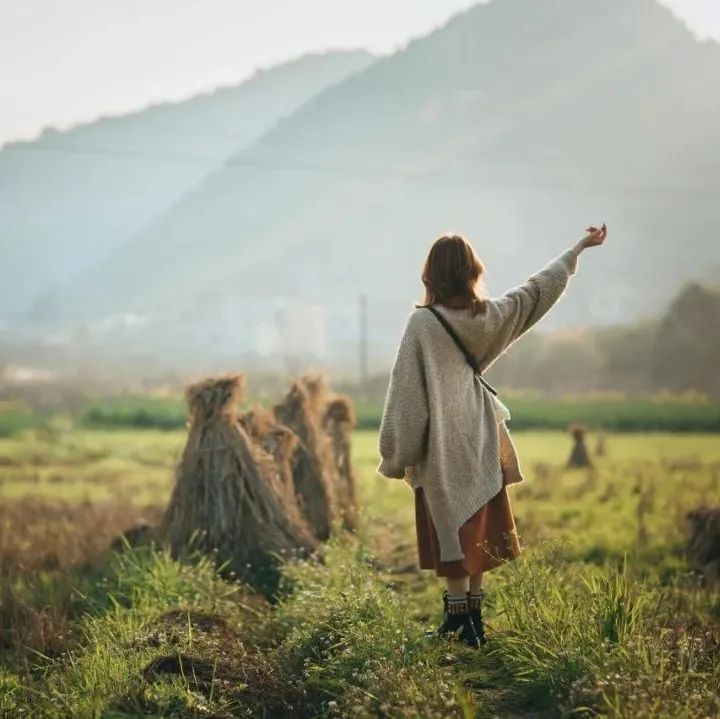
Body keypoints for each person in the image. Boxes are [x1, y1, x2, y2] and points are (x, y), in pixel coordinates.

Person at [376, 224, 608, 649]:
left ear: (431, 275)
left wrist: (396, 453)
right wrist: (577, 250)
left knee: (450, 525)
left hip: (442, 440)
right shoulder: (489, 317)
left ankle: (458, 621)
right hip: (482, 431)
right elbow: (536, 292)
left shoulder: (423, 324)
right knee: (477, 524)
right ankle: (473, 622)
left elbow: (407, 393)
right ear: (472, 271)